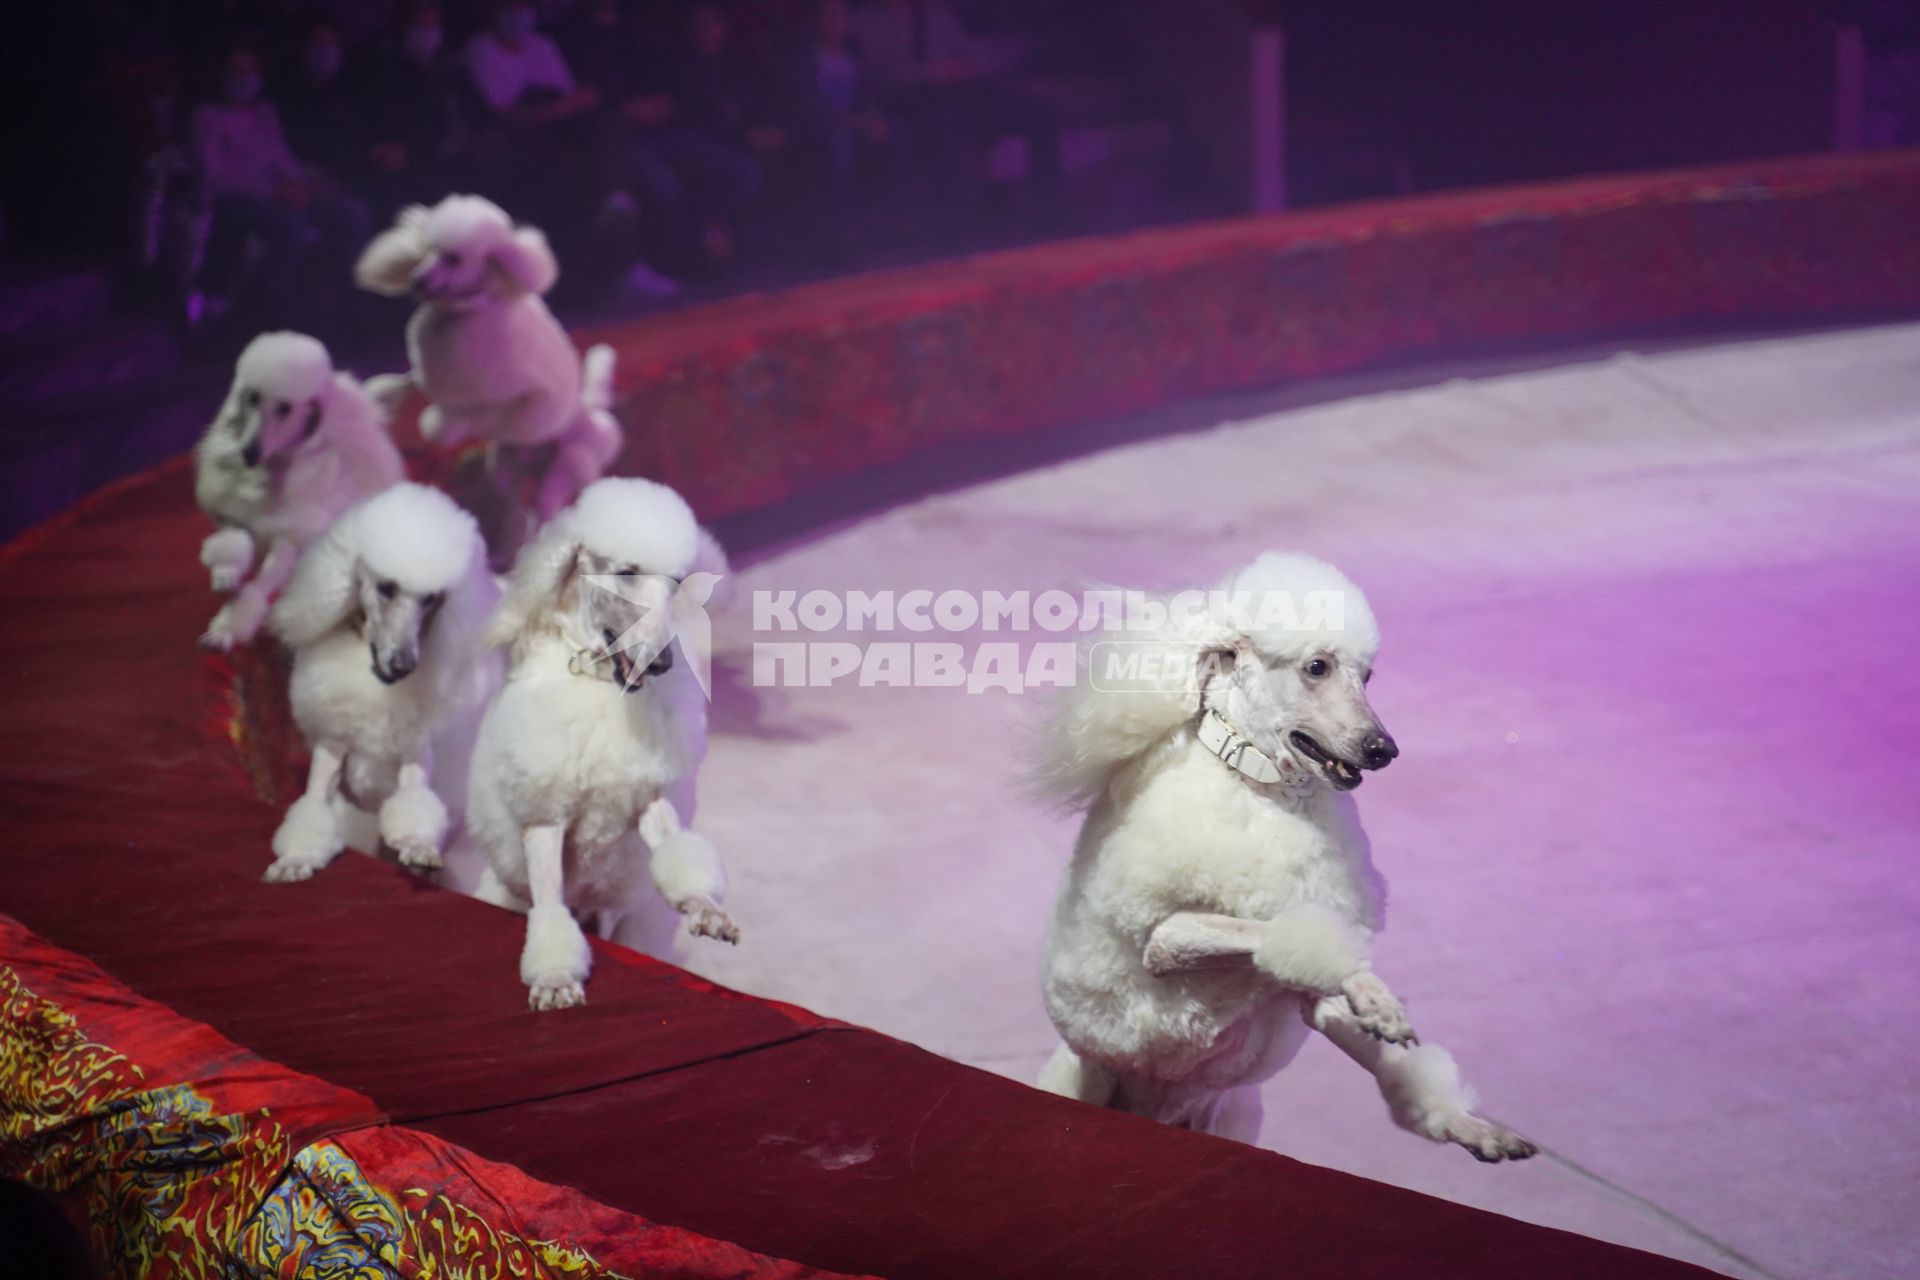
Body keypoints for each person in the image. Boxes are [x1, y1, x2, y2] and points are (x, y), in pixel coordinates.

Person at [558, 0, 761, 275]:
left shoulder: (635, 31)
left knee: (743, 173)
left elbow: (668, 90)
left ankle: (711, 232)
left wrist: (662, 103)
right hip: (614, 139)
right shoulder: (572, 36)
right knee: (664, 186)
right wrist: (620, 108)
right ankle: (687, 263)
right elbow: (583, 97)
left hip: (665, 131)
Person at [189, 42, 371, 328]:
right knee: (292, 226)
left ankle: (343, 304)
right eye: (237, 70)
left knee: (350, 212)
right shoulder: (207, 118)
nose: (244, 77)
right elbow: (218, 178)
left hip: (280, 193)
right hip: (238, 199)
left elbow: (281, 158)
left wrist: (307, 183)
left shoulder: (264, 113)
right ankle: (264, 310)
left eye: (250, 69)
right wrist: (275, 191)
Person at [850, 0, 1062, 232]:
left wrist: (961, 70)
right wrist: (924, 74)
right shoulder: (866, 21)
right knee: (946, 127)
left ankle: (1049, 210)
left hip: (963, 94)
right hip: (912, 103)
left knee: (1037, 111)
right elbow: (874, 77)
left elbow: (972, 57)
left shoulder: (934, 14)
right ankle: (958, 221)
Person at [777, 0, 907, 262]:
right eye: (829, 15)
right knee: (840, 146)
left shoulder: (852, 52)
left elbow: (866, 93)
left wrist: (874, 118)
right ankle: (845, 231)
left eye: (841, 15)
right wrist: (851, 121)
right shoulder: (806, 56)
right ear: (817, 21)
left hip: (855, 124)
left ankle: (893, 216)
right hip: (821, 129)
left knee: (897, 134)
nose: (837, 21)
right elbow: (807, 104)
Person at [357, 0, 467, 216]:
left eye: (433, 25)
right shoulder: (378, 65)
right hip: (383, 165)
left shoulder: (443, 65)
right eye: (422, 25)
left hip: (430, 161)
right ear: (404, 26)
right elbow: (371, 121)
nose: (429, 33)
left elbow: (446, 120)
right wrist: (374, 149)